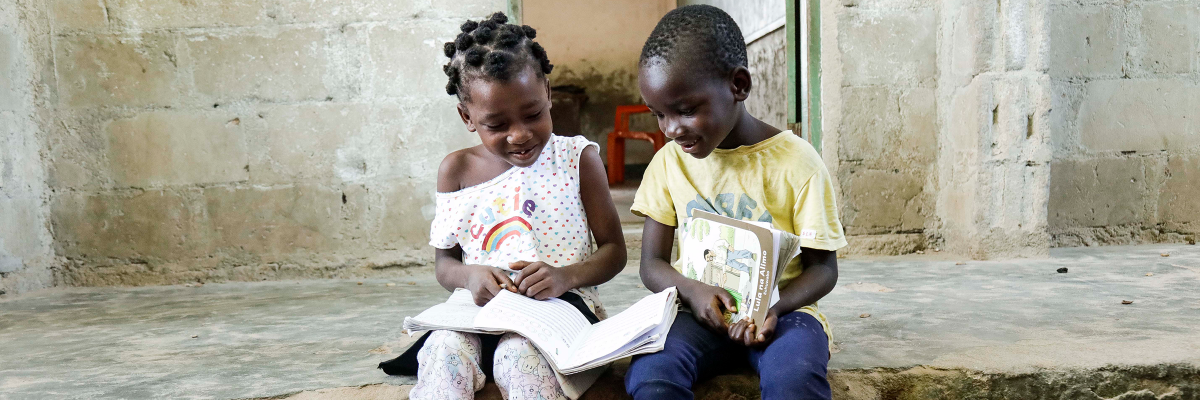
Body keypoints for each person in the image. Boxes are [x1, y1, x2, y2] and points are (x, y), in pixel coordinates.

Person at [624, 5, 848, 400]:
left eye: (686, 110)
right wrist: (692, 292)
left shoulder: (797, 163)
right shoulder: (668, 164)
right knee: (652, 374)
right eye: (658, 114)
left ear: (738, 85)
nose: (671, 129)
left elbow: (823, 270)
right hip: (697, 313)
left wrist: (774, 309)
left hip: (785, 315)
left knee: (795, 380)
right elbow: (651, 264)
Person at [408, 12, 627, 400]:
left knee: (518, 356)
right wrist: (470, 276)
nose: (521, 134)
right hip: (474, 314)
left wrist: (566, 277)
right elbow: (445, 265)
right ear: (467, 117)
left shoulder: (577, 158)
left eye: (533, 114)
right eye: (497, 125)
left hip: (559, 310)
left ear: (546, 90)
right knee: (442, 352)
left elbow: (614, 252)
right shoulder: (456, 170)